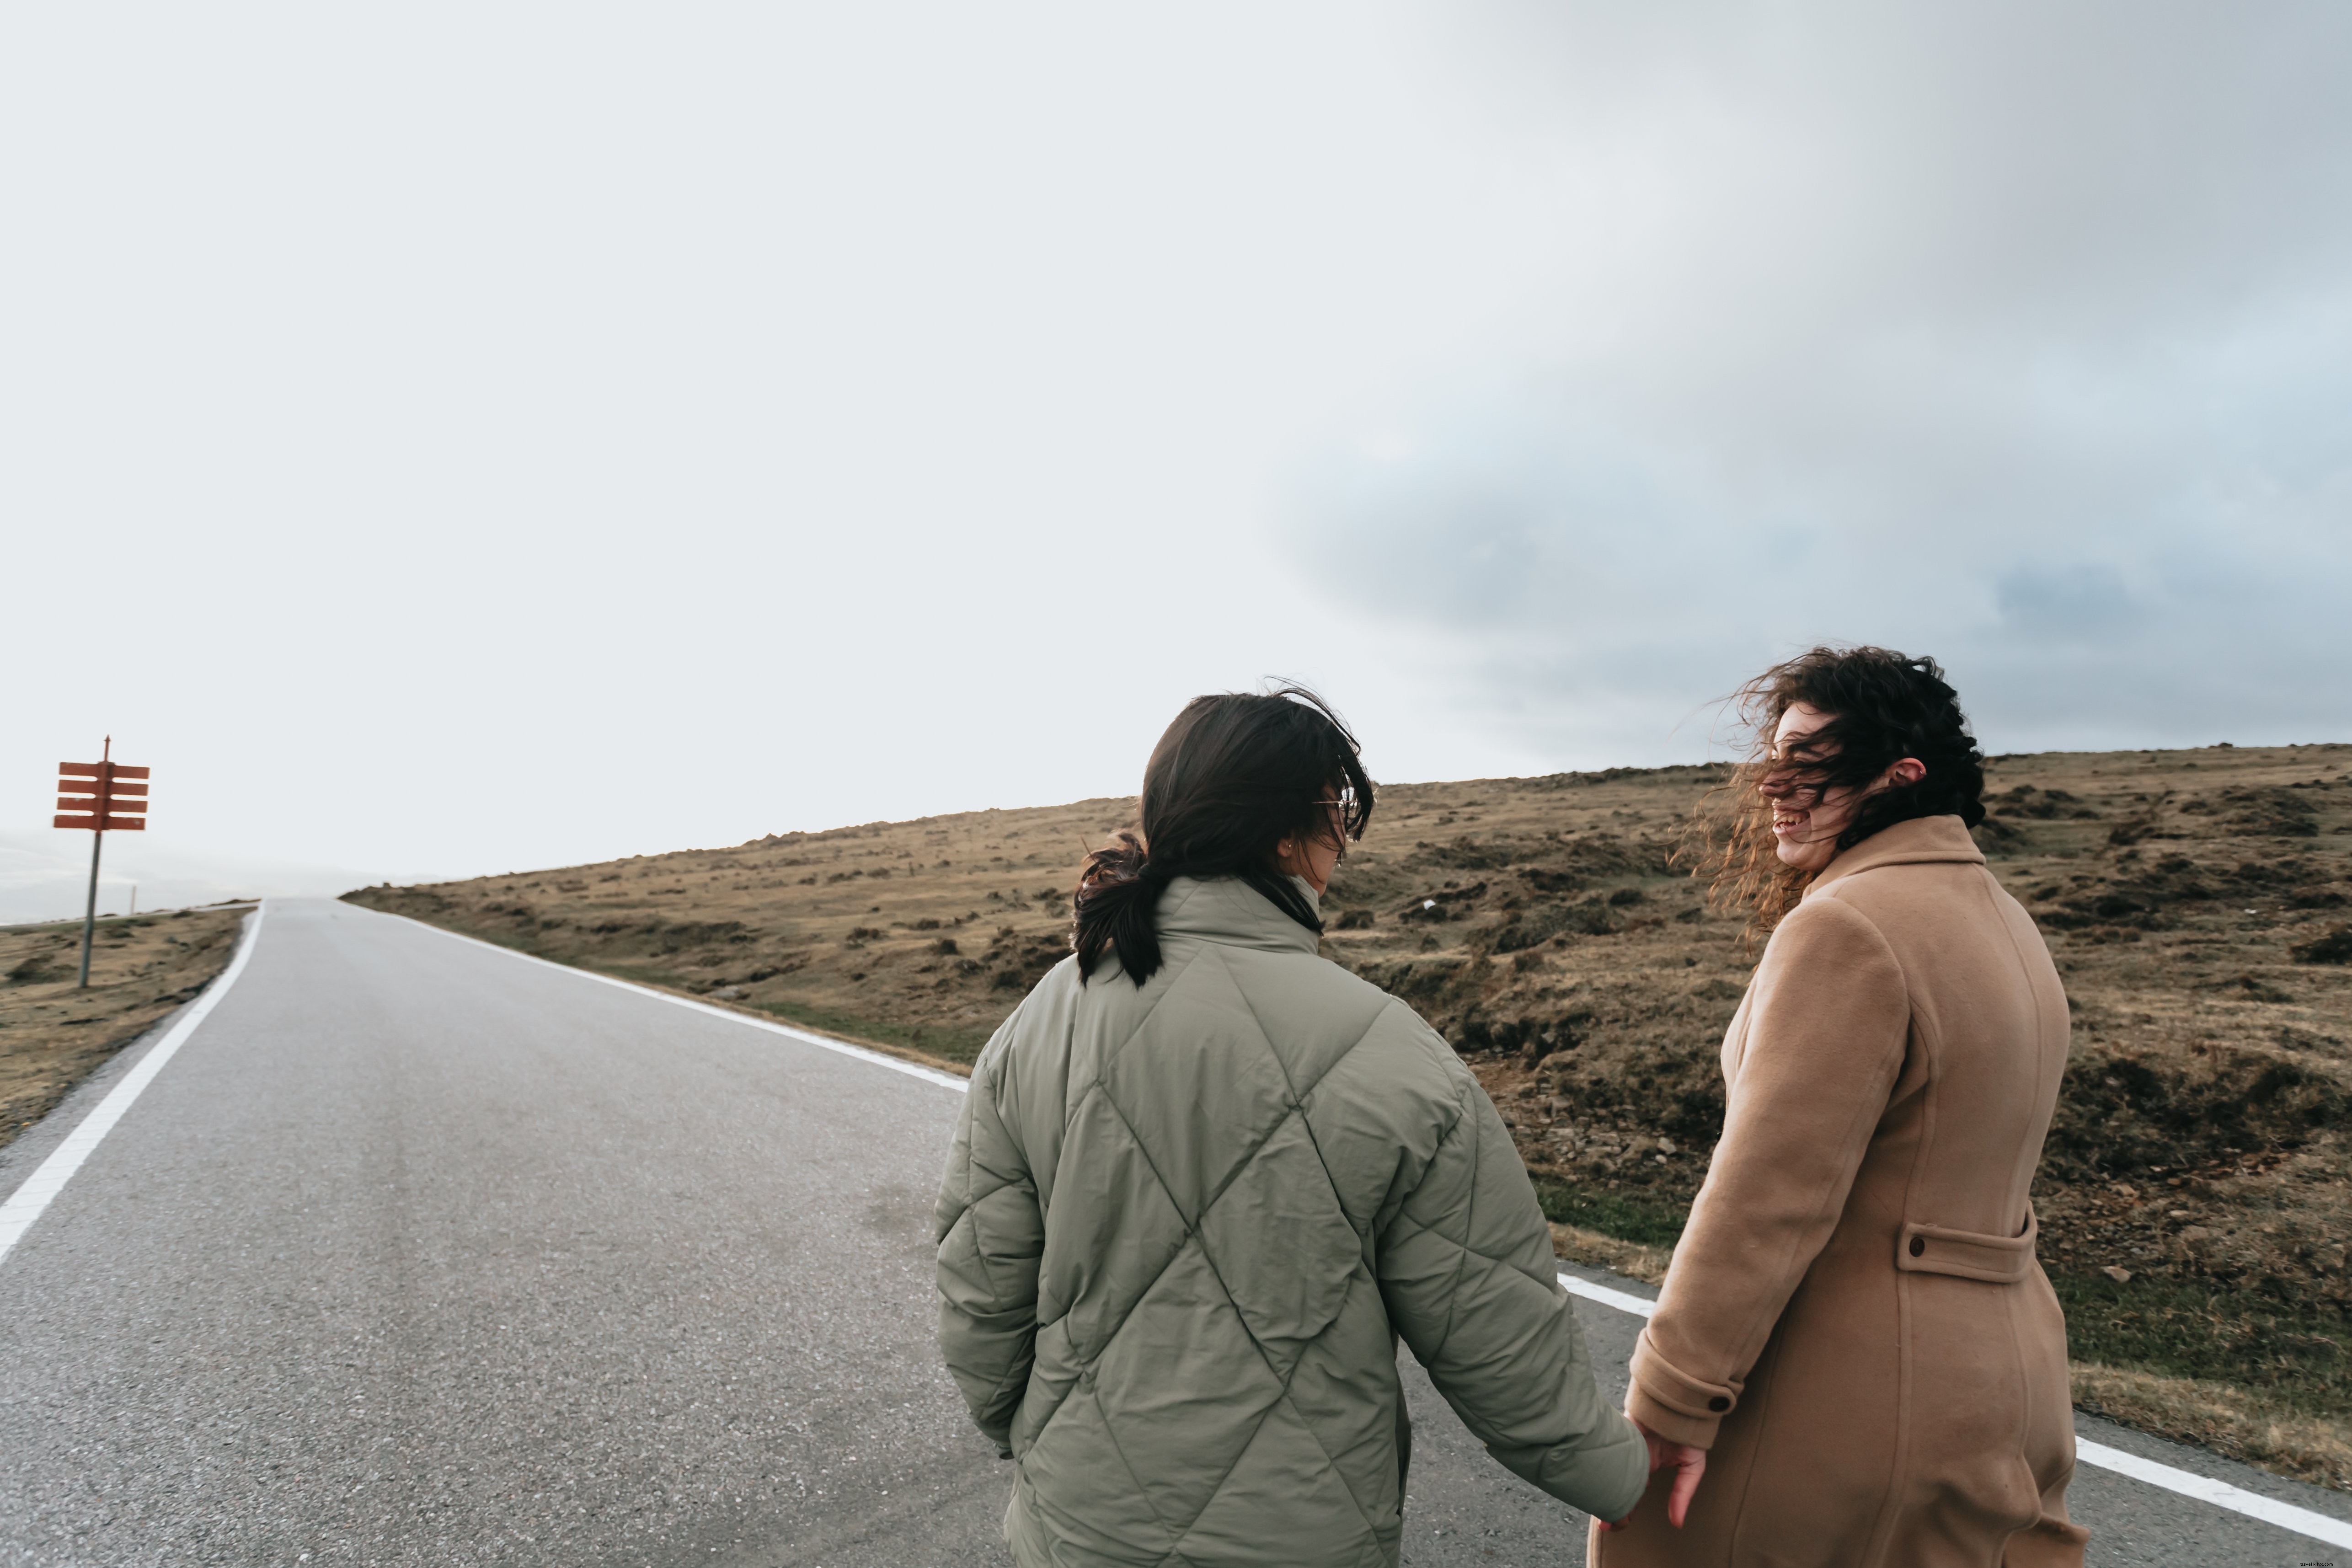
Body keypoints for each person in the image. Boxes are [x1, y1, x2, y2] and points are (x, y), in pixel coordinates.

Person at [935, 686, 1648, 1568]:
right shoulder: (1395, 1050)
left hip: (1076, 1524)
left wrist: (1030, 1431)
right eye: (1338, 813)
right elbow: (1496, 1335)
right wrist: (1624, 1478)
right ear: (1288, 836)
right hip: (1303, 1532)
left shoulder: (1045, 1012)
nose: (1342, 841)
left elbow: (979, 1286)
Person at [1591, 647, 2087, 1567]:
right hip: (2008, 1390)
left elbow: (1770, 1195)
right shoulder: (2006, 921)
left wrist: (1672, 1398)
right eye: (1773, 756)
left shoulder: (1844, 927)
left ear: (1898, 778)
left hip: (1851, 1398)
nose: (1774, 786)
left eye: (1809, 763)